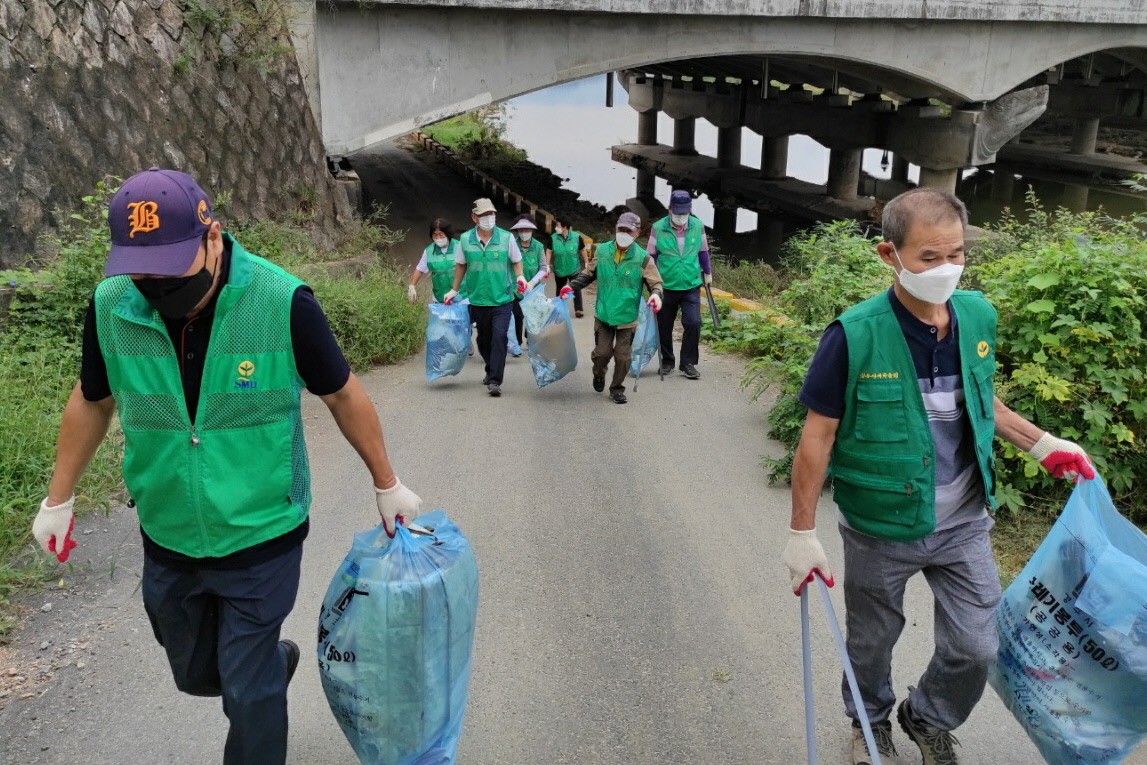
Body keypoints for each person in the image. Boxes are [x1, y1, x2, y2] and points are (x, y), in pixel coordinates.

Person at [30, 168, 423, 765]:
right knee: (195, 672)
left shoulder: (279, 299)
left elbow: (342, 393)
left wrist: (386, 483)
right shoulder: (111, 307)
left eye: (172, 266)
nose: (156, 285)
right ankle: (272, 664)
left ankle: (261, 680)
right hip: (168, 531)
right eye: (142, 270)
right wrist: (58, 498)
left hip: (262, 531)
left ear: (213, 237)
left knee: (247, 688)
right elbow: (92, 399)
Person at [781, 188, 1095, 765]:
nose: (946, 269)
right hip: (881, 526)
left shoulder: (977, 316)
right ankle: (869, 724)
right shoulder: (853, 334)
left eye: (956, 254)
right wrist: (803, 533)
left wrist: (1043, 444)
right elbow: (817, 435)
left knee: (979, 644)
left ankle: (926, 716)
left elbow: (983, 402)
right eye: (929, 257)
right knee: (871, 643)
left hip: (964, 522)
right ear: (888, 255)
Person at [561, 211, 663, 404]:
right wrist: (570, 286)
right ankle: (598, 374)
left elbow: (655, 284)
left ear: (637, 233)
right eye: (621, 229)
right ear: (615, 228)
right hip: (604, 313)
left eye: (628, 231)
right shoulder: (602, 251)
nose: (623, 233)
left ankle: (617, 388)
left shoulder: (643, 258)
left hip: (627, 316)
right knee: (602, 354)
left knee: (623, 357)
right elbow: (588, 274)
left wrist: (656, 296)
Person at [445, 197, 526, 397]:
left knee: (499, 337)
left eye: (491, 214)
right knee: (484, 339)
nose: (489, 218)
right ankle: (491, 368)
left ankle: (495, 380)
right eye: (484, 215)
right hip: (478, 299)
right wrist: (454, 290)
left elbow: (516, 261)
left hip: (503, 298)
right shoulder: (465, 240)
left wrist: (521, 277)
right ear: (474, 217)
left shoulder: (507, 238)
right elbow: (461, 265)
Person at [646, 189, 712, 380]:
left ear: (689, 210)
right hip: (665, 285)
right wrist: (650, 281)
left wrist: (707, 272)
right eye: (678, 213)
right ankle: (667, 361)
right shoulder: (658, 228)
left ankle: (688, 363)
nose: (681, 217)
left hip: (691, 283)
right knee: (664, 325)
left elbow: (703, 251)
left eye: (684, 213)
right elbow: (651, 256)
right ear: (670, 209)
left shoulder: (698, 225)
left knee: (693, 322)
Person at [508, 214, 550, 348]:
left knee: (532, 316)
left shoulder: (538, 247)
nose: (524, 233)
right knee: (517, 316)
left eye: (527, 229)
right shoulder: (512, 245)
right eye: (521, 230)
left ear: (532, 230)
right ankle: (516, 342)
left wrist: (532, 282)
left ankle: (530, 337)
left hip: (533, 288)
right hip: (515, 289)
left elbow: (543, 268)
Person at [408, 218, 461, 304]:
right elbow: (420, 269)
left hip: (461, 298)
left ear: (447, 234)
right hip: (441, 298)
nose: (438, 238)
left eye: (441, 234)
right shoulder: (429, 251)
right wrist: (412, 286)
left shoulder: (460, 247)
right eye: (435, 235)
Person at [550, 213, 586, 318]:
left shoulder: (576, 237)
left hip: (574, 267)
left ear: (565, 227)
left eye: (558, 226)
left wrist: (587, 263)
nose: (556, 228)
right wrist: (547, 265)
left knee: (576, 287)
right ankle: (559, 309)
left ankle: (578, 309)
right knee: (560, 288)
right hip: (559, 268)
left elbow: (583, 250)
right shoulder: (553, 238)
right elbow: (548, 251)